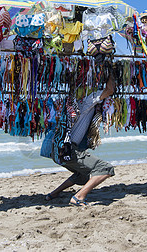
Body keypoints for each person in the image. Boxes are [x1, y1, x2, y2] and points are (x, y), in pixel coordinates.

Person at [41, 75, 116, 206]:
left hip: (58, 150)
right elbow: (110, 90)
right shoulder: (88, 100)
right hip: (68, 150)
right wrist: (111, 73)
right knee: (106, 168)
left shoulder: (73, 102)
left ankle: (54, 193)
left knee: (82, 174)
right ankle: (79, 197)